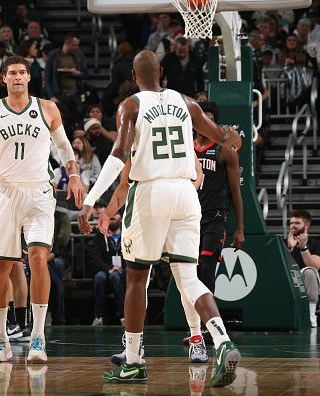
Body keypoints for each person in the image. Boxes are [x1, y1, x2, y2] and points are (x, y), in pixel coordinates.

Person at [76, 50, 242, 387]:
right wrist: (232, 137)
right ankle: (223, 341)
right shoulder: (188, 103)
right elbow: (221, 135)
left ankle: (134, 361)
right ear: (163, 73)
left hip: (151, 192)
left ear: (136, 78)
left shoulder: (131, 106)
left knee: (137, 277)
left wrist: (92, 200)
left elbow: (119, 154)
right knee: (189, 279)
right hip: (186, 194)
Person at [0, 55, 84, 363]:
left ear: (29, 77)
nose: (16, 76)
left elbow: (64, 144)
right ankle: (1, 339)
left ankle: (38, 336)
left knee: (38, 257)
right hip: (4, 191)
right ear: (3, 79)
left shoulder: (47, 108)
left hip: (40, 192)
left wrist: (75, 173)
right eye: (11, 72)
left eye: (21, 72)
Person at [187, 101, 245, 354]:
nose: (204, 124)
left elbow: (236, 191)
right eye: (201, 120)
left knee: (207, 268)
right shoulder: (186, 148)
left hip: (215, 216)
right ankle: (196, 332)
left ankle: (209, 328)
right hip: (189, 217)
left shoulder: (224, 151)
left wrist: (239, 227)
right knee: (190, 273)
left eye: (209, 120)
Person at [91, 212, 126, 327]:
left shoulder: (127, 234)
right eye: (110, 214)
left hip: (123, 269)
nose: (112, 217)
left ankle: (122, 315)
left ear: (121, 218)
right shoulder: (100, 236)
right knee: (99, 277)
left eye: (115, 214)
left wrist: (121, 268)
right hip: (106, 269)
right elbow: (96, 257)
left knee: (115, 277)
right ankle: (98, 316)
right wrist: (109, 269)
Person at [286, 210, 320, 327]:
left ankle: (311, 315)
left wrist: (303, 248)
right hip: (287, 277)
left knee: (310, 272)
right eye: (291, 223)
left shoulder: (315, 243)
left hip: (304, 279)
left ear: (306, 226)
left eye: (297, 223)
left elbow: (315, 266)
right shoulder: (283, 242)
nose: (293, 226)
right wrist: (291, 248)